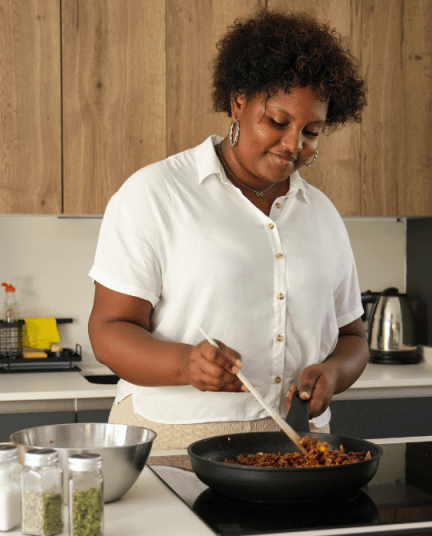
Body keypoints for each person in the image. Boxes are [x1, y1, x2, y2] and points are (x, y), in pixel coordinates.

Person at [87, 9, 369, 450]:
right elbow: (108, 330)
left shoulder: (322, 216)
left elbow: (353, 338)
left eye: (311, 131)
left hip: (297, 445)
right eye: (277, 122)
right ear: (238, 101)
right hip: (174, 443)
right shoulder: (155, 193)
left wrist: (332, 373)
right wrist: (185, 364)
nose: (294, 144)